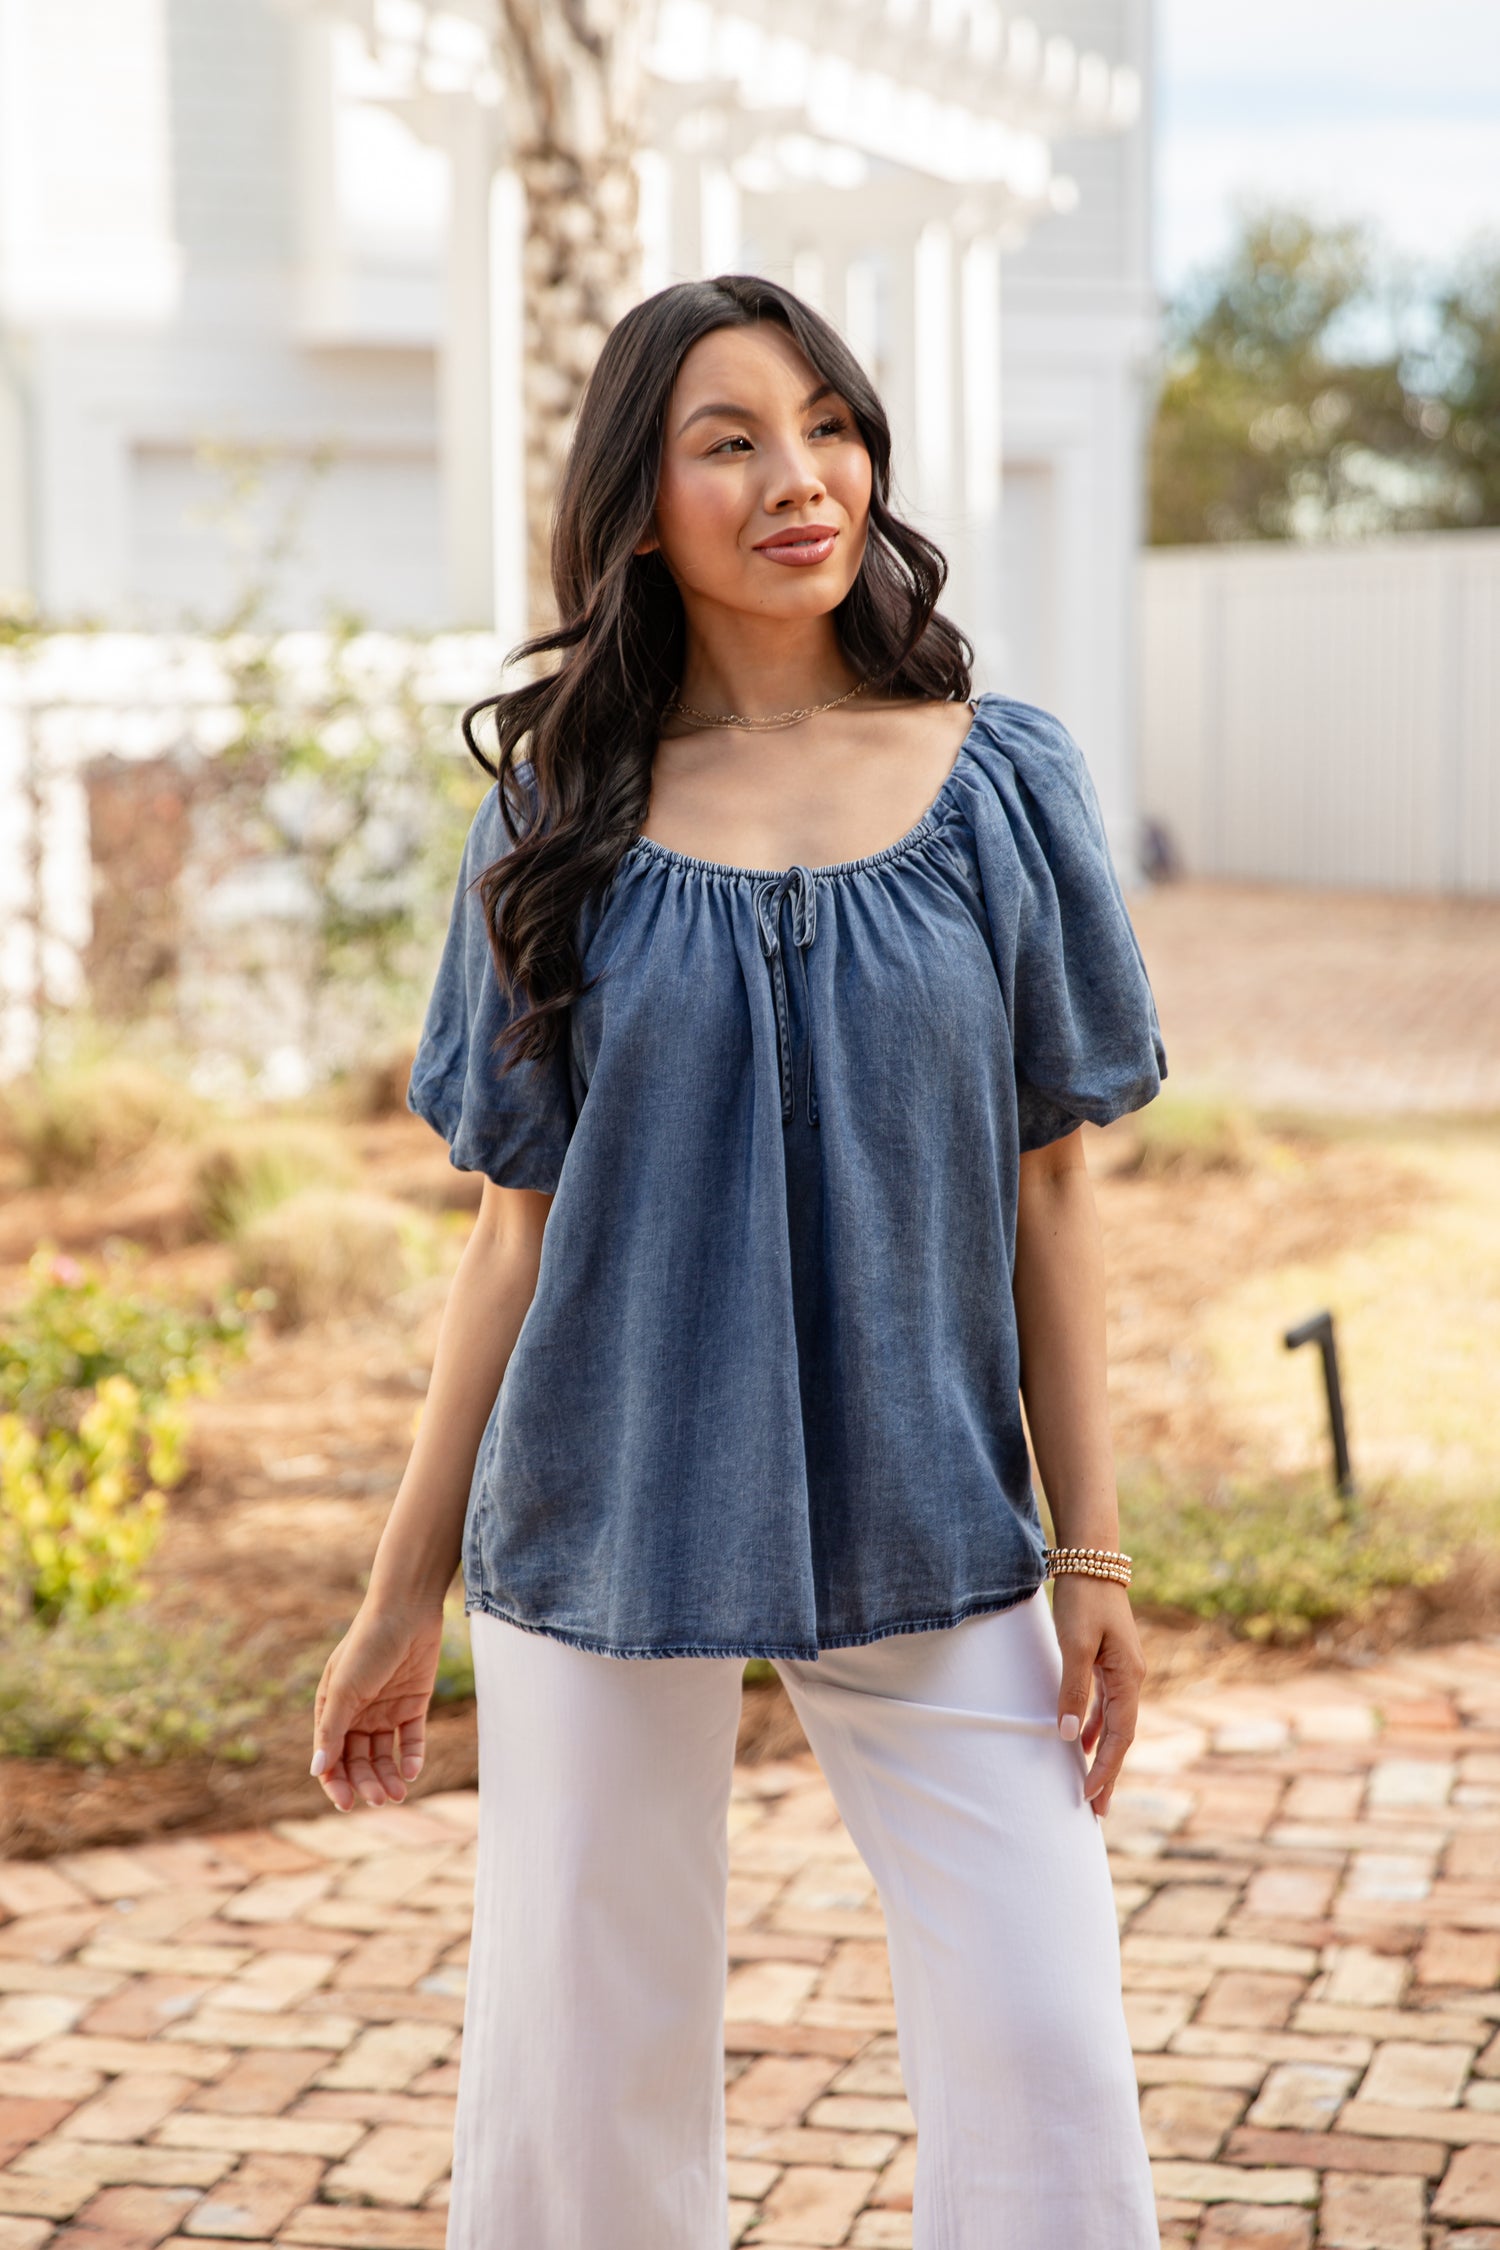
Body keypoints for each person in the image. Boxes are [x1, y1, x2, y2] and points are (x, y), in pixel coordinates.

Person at [309, 274, 1167, 2250]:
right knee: (582, 2068)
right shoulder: (555, 818)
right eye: (732, 441)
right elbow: (511, 1234)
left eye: (829, 425)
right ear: (638, 508)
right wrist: (397, 1594)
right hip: (606, 1501)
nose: (802, 478)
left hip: (934, 1504)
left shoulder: (1004, 782)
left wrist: (1098, 1557)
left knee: (1044, 2030)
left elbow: (1052, 1191)